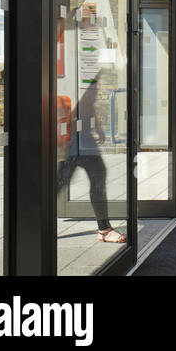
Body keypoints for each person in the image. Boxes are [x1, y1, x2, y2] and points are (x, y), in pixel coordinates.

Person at [56, 78, 126, 243]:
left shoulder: (86, 81)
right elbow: (79, 105)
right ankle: (104, 229)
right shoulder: (77, 83)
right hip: (73, 141)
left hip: (84, 139)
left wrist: (98, 128)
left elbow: (88, 105)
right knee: (61, 181)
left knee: (91, 176)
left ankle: (104, 228)